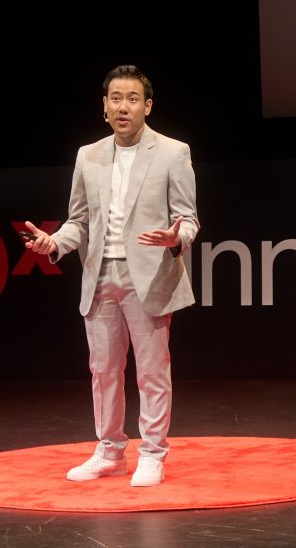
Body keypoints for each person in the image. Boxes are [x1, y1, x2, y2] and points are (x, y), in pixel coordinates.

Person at [24, 65, 199, 487]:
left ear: (148, 106)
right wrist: (55, 243)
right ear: (104, 107)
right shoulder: (88, 155)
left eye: (133, 98)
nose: (124, 106)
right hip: (100, 276)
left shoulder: (174, 152)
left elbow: (189, 219)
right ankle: (110, 451)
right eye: (116, 98)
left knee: (152, 372)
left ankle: (153, 454)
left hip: (149, 276)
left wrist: (176, 238)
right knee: (103, 370)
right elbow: (79, 221)